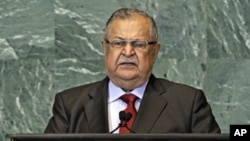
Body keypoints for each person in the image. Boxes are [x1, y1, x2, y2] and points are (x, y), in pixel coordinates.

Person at [44, 8, 221, 134]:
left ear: (154, 51)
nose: (128, 52)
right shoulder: (70, 104)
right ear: (105, 47)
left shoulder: (187, 103)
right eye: (118, 43)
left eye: (138, 44)